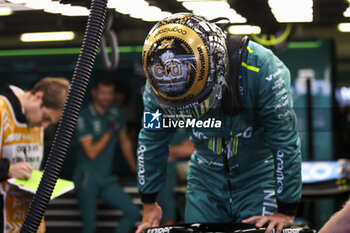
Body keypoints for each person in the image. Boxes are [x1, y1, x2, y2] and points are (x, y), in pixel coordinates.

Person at [136, 13, 302, 233]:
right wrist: (149, 201)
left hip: (258, 178)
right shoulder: (158, 86)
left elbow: (284, 141)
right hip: (204, 180)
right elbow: (151, 138)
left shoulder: (263, 69)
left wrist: (286, 209)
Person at [0, 77, 70, 233]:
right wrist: (7, 169)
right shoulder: (2, 110)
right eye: (45, 118)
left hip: (29, 220)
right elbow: (12, 167)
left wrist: (37, 177)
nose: (44, 126)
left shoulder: (35, 120)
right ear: (38, 96)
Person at [73, 77, 139, 233]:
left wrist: (136, 170)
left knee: (133, 212)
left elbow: (125, 143)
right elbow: (91, 153)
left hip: (105, 177)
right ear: (94, 93)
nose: (107, 97)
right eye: (103, 93)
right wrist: (109, 133)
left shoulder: (116, 112)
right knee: (90, 226)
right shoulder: (84, 116)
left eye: (110, 93)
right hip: (87, 177)